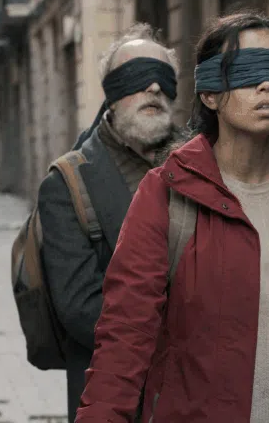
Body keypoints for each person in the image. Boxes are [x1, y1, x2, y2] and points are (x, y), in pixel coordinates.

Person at [75, 12, 269, 422]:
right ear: (209, 94)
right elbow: (124, 341)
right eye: (247, 70)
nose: (267, 84)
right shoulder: (165, 195)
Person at [37, 23, 188, 422]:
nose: (153, 88)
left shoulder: (203, 163)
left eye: (163, 78)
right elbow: (79, 308)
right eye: (137, 77)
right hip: (117, 396)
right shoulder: (68, 183)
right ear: (112, 93)